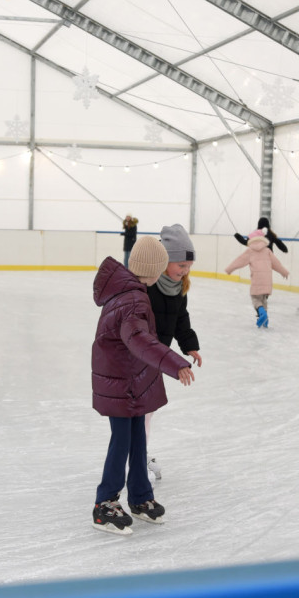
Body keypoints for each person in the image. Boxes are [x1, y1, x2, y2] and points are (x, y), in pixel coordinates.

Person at [91, 236, 194, 535]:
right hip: (122, 381)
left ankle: (139, 496)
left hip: (131, 380)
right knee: (122, 443)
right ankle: (105, 504)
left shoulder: (129, 290)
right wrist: (175, 362)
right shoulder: (134, 299)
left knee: (137, 441)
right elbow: (140, 341)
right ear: (153, 269)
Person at [144, 224, 202, 482]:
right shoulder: (148, 286)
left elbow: (181, 318)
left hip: (157, 356)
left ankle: (139, 451)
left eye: (188, 266)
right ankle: (138, 453)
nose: (185, 270)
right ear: (165, 261)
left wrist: (189, 344)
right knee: (142, 407)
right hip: (140, 354)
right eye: (180, 264)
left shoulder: (179, 288)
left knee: (148, 408)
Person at [225, 229, 290, 328]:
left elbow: (239, 261)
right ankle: (265, 320)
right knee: (263, 299)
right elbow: (276, 264)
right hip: (267, 281)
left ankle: (262, 313)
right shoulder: (267, 251)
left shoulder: (250, 251)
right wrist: (284, 272)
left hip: (257, 280)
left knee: (255, 298)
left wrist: (229, 269)